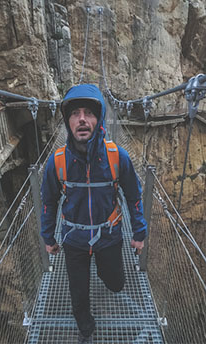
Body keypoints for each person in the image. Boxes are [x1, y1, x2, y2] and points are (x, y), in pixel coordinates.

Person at [40, 84, 147, 343]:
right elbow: (48, 202)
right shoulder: (57, 161)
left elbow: (133, 196)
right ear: (68, 122)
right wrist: (48, 238)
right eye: (75, 114)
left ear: (98, 119)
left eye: (89, 112)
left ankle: (104, 273)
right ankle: (86, 330)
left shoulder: (117, 157)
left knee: (116, 284)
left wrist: (139, 232)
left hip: (109, 235)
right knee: (78, 293)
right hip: (74, 239)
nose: (82, 119)